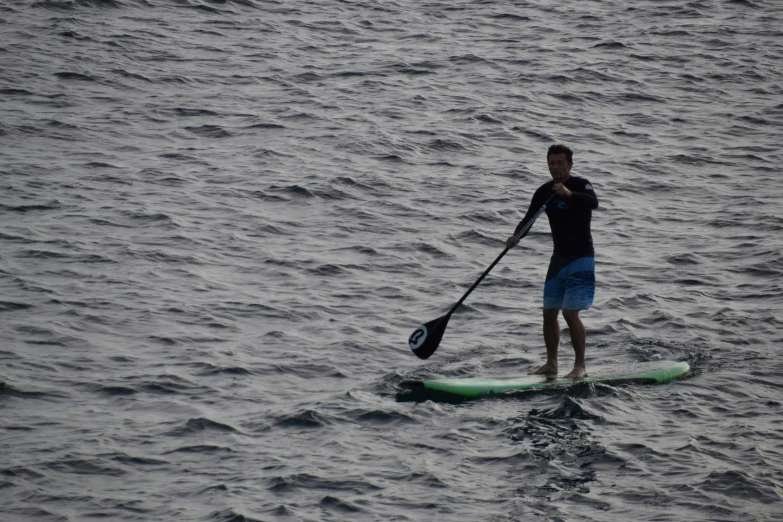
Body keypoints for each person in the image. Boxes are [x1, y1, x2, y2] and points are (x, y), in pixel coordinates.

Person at [506, 144, 598, 379]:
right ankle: (551, 364)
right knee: (549, 313)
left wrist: (569, 195)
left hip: (581, 257)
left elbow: (593, 202)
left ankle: (580, 366)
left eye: (560, 163)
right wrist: (516, 237)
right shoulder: (543, 191)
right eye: (552, 163)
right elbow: (529, 219)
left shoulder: (580, 185)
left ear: (570, 165)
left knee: (570, 313)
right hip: (558, 258)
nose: (555, 167)